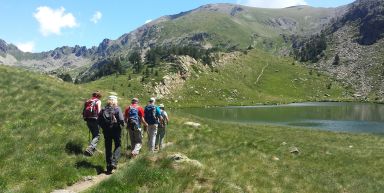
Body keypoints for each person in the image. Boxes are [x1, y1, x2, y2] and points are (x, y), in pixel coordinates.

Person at [99, 95, 124, 174]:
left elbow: (98, 120)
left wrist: (103, 128)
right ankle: (114, 161)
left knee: (108, 147)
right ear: (115, 101)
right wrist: (122, 125)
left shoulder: (103, 109)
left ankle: (108, 166)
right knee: (118, 145)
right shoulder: (117, 108)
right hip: (116, 130)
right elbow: (121, 119)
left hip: (106, 131)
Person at [82, 91, 102, 156]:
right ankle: (90, 148)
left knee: (94, 134)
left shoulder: (88, 101)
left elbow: (84, 110)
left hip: (87, 119)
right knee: (97, 135)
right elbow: (99, 111)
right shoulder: (98, 101)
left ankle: (92, 149)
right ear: (98, 96)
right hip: (95, 119)